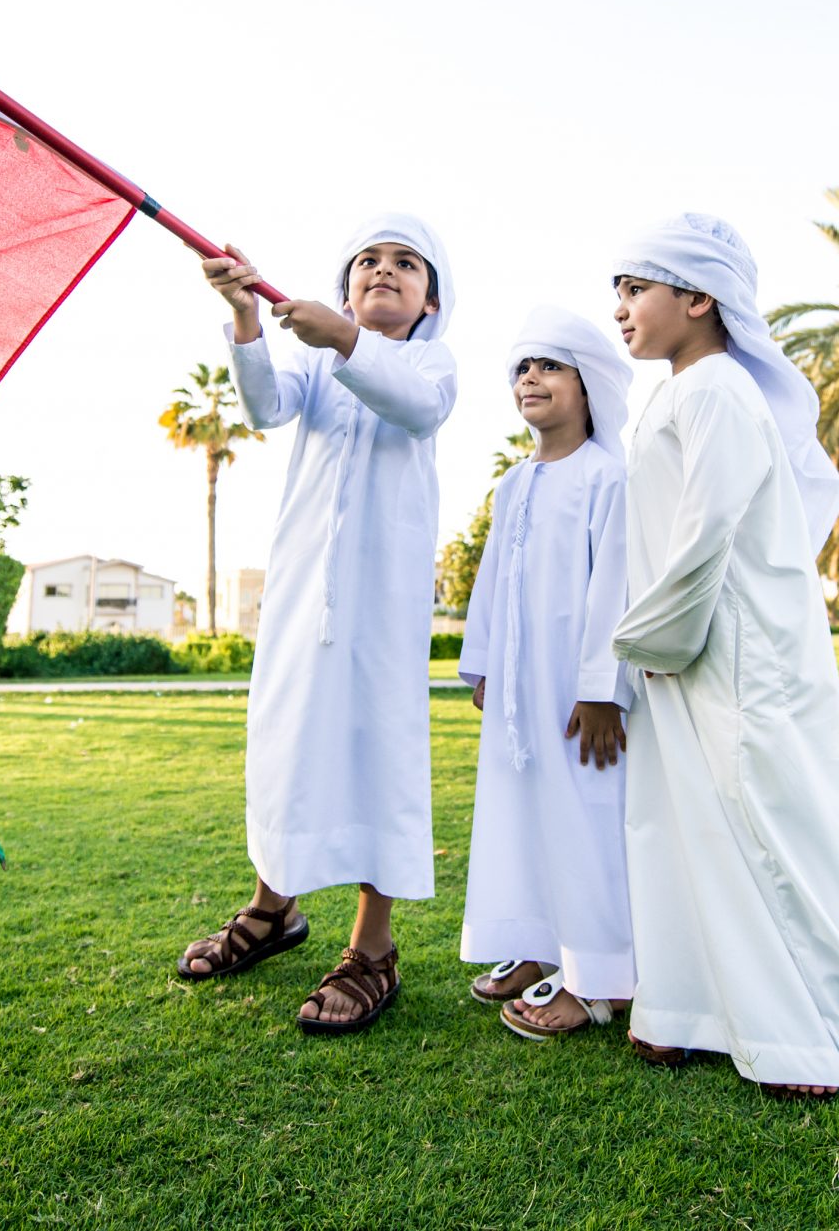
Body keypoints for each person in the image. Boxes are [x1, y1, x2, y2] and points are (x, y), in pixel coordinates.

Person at [609, 212, 839, 1096]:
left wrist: (649, 640)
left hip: (731, 650)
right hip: (682, 649)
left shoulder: (716, 389)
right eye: (618, 293)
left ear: (699, 296)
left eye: (636, 288)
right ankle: (683, 1012)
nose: (622, 309)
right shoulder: (676, 394)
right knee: (679, 822)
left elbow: (708, 531)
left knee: (763, 827)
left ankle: (811, 1040)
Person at [178, 215, 456, 1037]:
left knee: (379, 752)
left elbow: (415, 406)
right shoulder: (314, 362)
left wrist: (344, 339)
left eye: (406, 263)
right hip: (301, 598)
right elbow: (264, 405)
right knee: (284, 740)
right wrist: (245, 316)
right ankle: (274, 911)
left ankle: (373, 950)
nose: (384, 270)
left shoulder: (431, 361)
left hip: (383, 606)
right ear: (343, 287)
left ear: (431, 299)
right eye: (367, 260)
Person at [456, 306, 638, 1042]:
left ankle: (599, 981)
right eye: (522, 368)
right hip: (518, 694)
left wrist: (602, 689)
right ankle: (535, 940)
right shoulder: (512, 483)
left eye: (549, 366)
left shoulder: (608, 477)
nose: (531, 378)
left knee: (584, 821)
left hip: (576, 697)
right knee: (521, 813)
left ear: (589, 383)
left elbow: (616, 588)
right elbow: (492, 580)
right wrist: (483, 664)